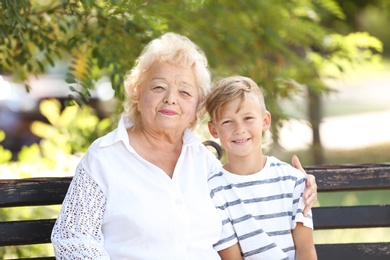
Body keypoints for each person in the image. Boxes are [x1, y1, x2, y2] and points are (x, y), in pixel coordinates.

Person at [51, 32, 317, 259]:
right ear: (137, 91)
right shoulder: (105, 157)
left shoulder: (205, 163)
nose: (170, 99)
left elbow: (251, 190)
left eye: (185, 92)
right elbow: (73, 238)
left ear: (196, 107)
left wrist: (298, 184)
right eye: (158, 87)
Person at [205, 75, 317, 260]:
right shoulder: (213, 191)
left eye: (248, 118)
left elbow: (305, 251)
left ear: (265, 121)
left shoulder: (292, 180)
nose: (239, 129)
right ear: (214, 129)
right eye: (227, 121)